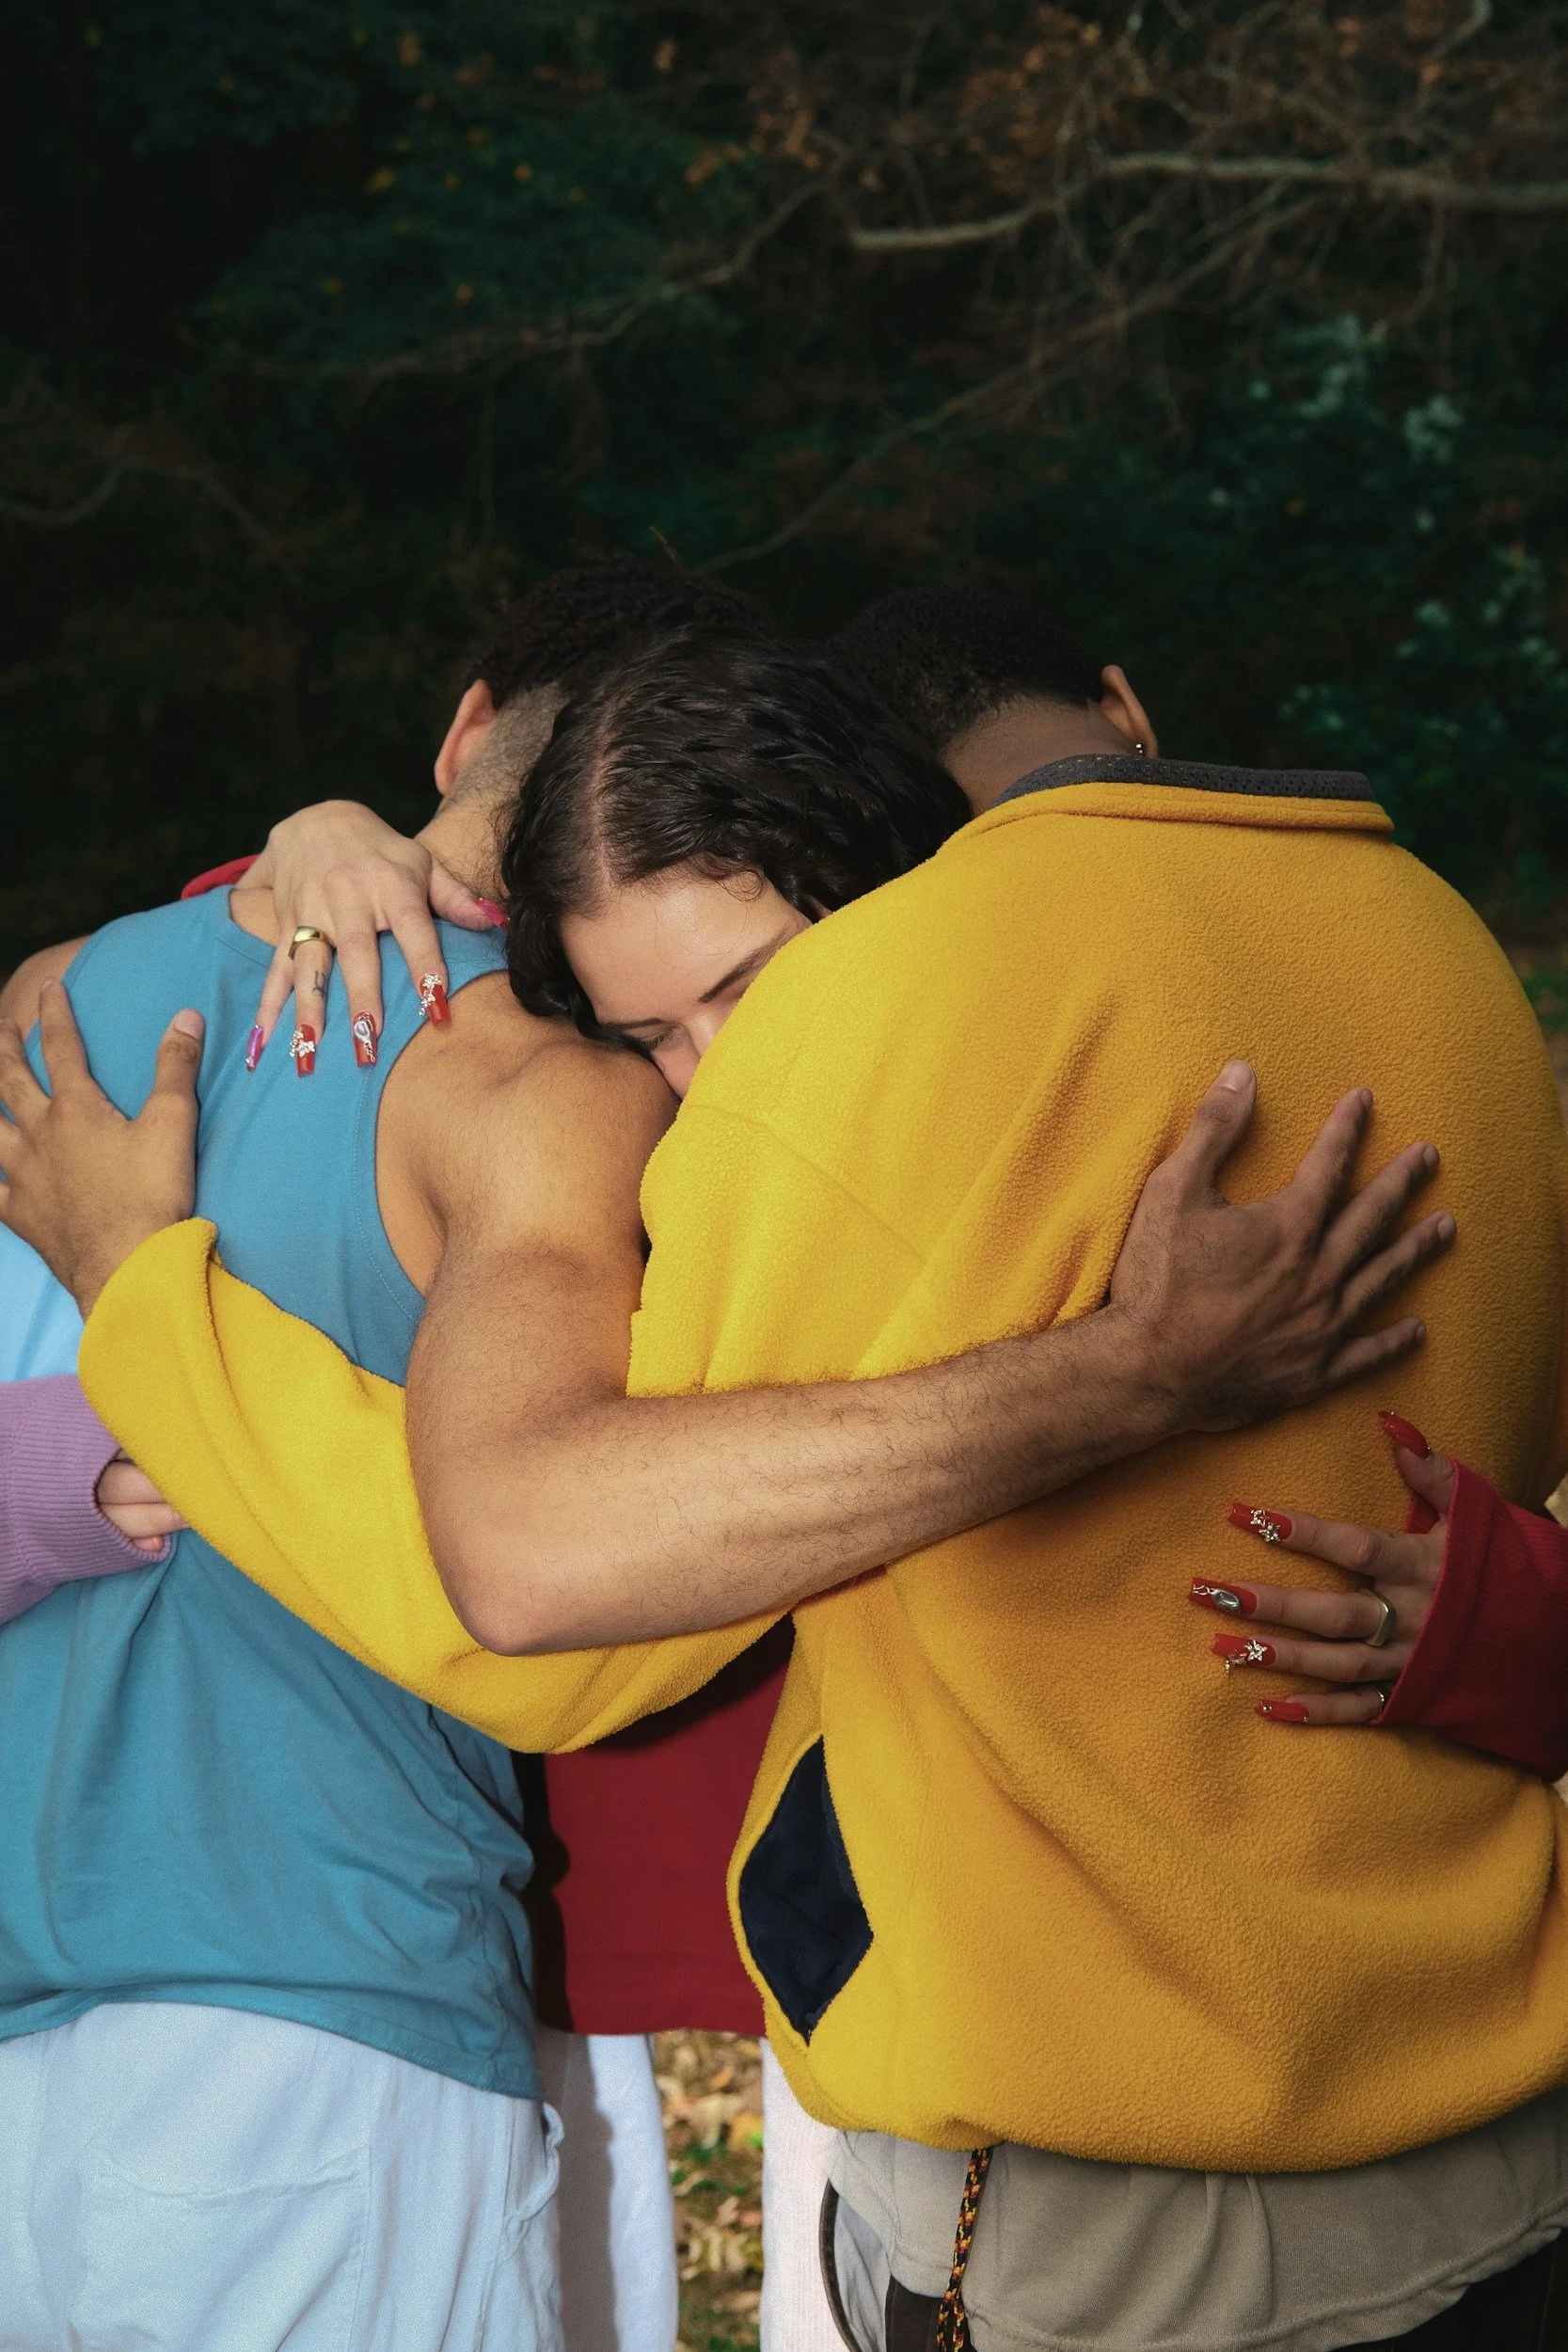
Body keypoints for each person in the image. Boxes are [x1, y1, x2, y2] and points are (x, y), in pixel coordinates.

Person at [2, 612, 1542, 2350]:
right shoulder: (1409, 928)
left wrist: (150, 1305)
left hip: (1152, 2178)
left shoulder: (889, 1069)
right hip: (1442, 2068)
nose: (710, 1073)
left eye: (736, 989)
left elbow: (541, 1583)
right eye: (652, 1031)